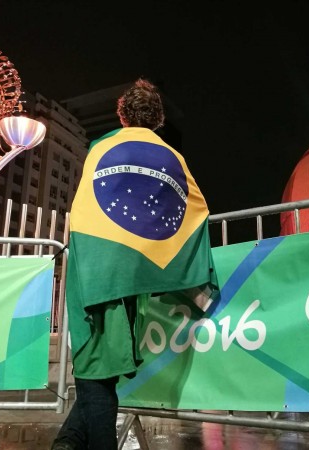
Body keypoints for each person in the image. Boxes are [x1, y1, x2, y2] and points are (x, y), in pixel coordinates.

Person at [51, 78, 218, 450]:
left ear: (121, 114)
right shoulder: (174, 158)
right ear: (158, 120)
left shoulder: (102, 146)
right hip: (135, 276)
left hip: (98, 270)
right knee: (102, 371)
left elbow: (86, 210)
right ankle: (64, 444)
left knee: (95, 368)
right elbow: (197, 210)